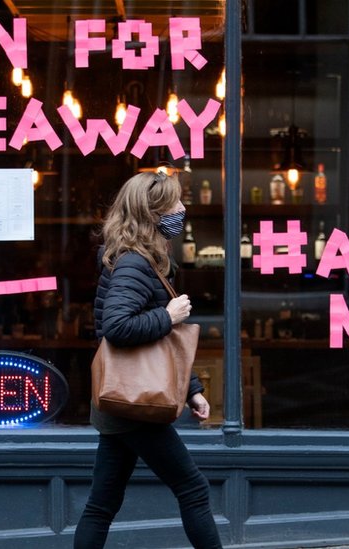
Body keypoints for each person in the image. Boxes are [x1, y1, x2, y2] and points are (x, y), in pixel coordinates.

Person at [73, 170, 222, 549]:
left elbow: (158, 346)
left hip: (125, 401)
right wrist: (169, 316)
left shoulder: (140, 260)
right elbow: (118, 327)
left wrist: (191, 390)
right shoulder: (133, 264)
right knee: (193, 488)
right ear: (152, 213)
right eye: (174, 203)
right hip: (135, 403)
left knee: (102, 504)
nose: (182, 208)